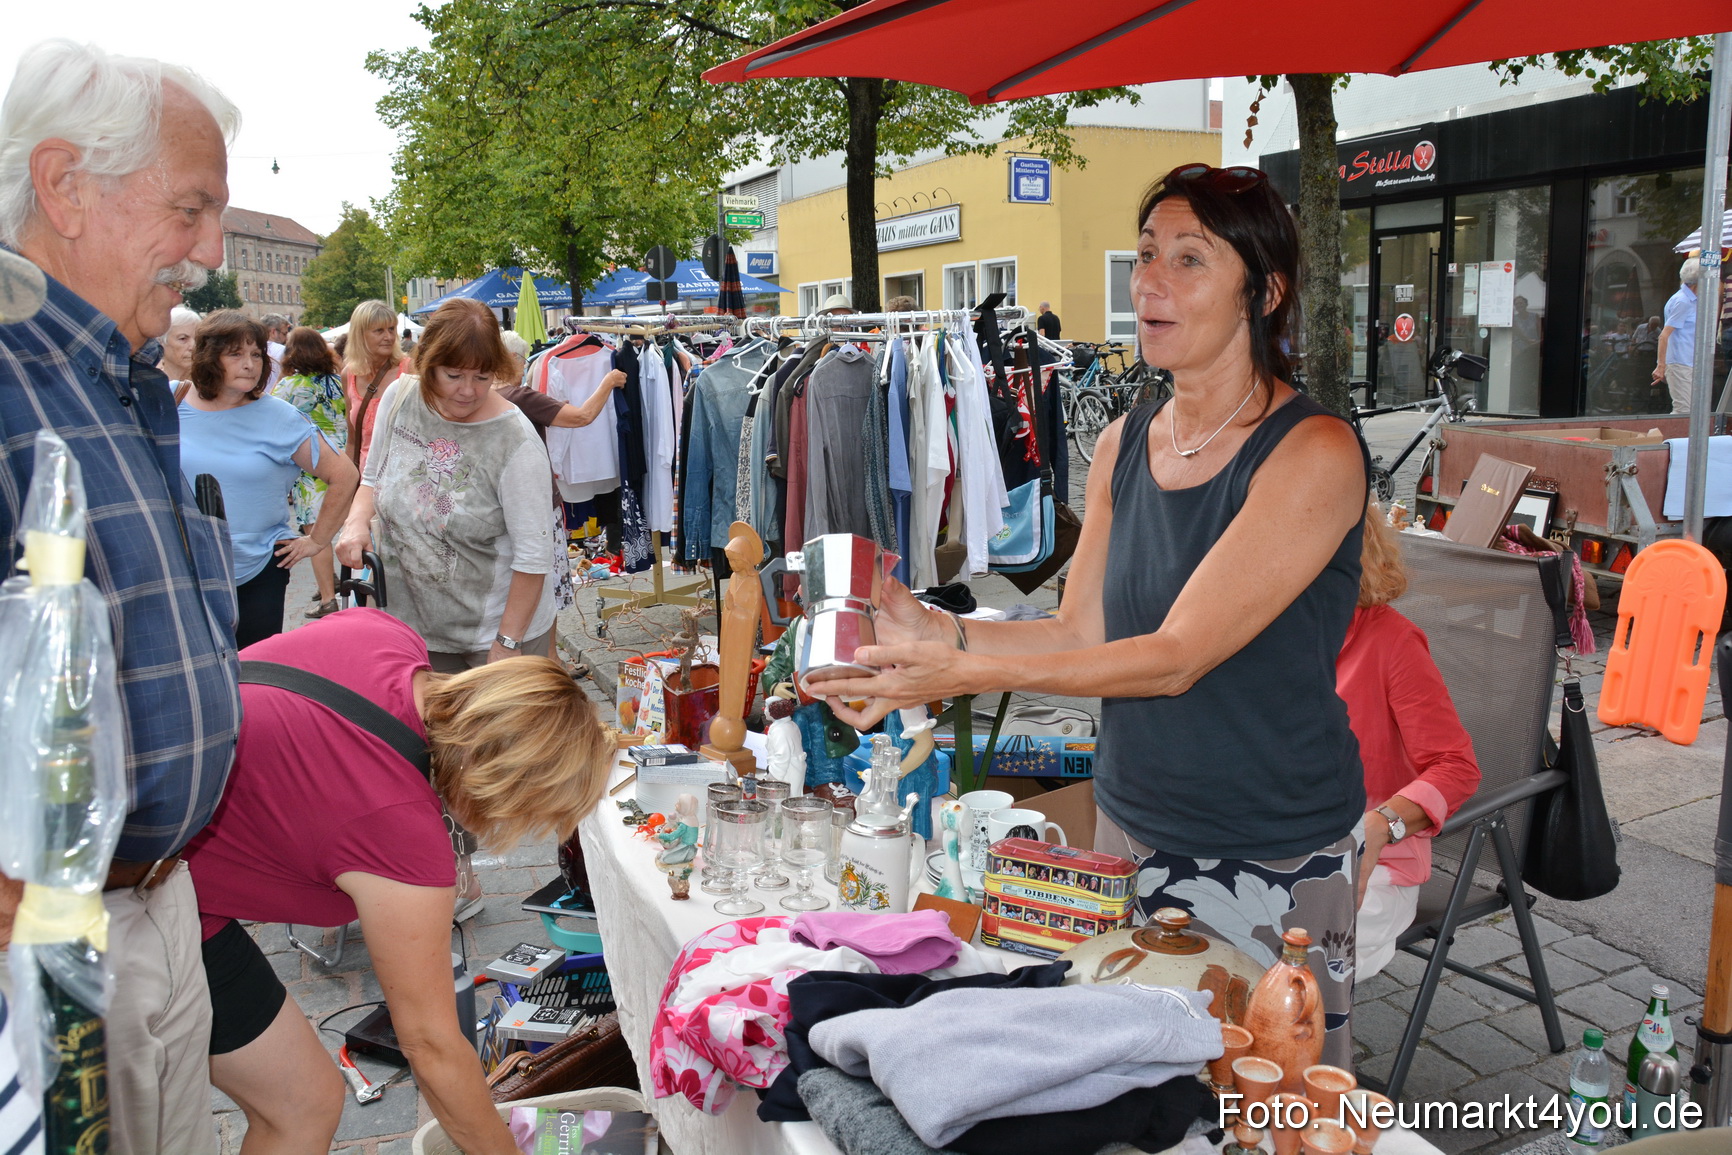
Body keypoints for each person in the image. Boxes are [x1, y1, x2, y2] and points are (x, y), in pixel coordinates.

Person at [809, 163, 1368, 1066]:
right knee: (1146, 1088)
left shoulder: (1314, 451)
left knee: (1265, 1099)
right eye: (1147, 254)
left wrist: (971, 668)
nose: (1151, 280)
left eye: (1190, 259)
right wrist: (935, 636)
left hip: (1272, 844)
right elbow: (1082, 631)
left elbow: (1175, 654)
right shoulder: (1122, 440)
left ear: (1262, 293)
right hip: (1135, 822)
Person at [0, 39, 243, 1155]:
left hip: (157, 904)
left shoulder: (119, 380)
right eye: (190, 210)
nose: (211, 250)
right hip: (48, 945)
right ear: (63, 186)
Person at [183, 607, 613, 1155]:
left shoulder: (384, 632)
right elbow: (430, 1045)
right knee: (298, 1108)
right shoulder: (402, 836)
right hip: (134, 893)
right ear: (510, 786)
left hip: (122, 816)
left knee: (306, 1100)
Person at [337, 297, 557, 670]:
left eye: (483, 377)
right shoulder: (399, 397)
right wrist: (356, 522)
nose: (468, 390)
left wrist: (506, 644)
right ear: (428, 365)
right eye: (454, 375)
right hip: (408, 627)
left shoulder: (515, 443)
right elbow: (372, 478)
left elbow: (534, 558)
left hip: (492, 638)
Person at [1336, 502, 1480, 980]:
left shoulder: (1392, 643)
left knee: (1295, 967)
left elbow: (1455, 767)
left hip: (1373, 861)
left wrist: (1381, 826)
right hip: (1274, 840)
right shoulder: (1260, 636)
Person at [180, 310, 357, 647]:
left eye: (256, 354)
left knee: (253, 675)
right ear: (208, 357)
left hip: (258, 569)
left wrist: (317, 541)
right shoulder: (172, 401)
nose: (250, 364)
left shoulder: (279, 416)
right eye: (235, 354)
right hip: (184, 569)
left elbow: (344, 476)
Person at [273, 324, 350, 618]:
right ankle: (341, 584)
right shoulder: (336, 381)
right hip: (342, 460)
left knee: (316, 535)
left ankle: (328, 598)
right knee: (340, 526)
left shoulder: (289, 386)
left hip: (311, 468)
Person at [343, 297, 412, 466]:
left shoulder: (409, 369)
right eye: (379, 331)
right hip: (366, 477)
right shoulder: (349, 374)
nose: (388, 337)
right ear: (360, 335)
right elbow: (352, 440)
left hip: (401, 475)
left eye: (391, 329)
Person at [1654, 257, 1700, 413]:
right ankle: (1670, 437)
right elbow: (1664, 335)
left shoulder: (1690, 300)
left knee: (1690, 411)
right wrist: (1661, 366)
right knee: (1684, 411)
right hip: (1680, 362)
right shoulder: (1683, 301)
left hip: (1688, 361)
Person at [159, 304, 200, 395]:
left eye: (198, 339)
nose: (193, 346)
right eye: (183, 339)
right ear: (161, 342)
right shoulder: (147, 384)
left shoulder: (211, 385)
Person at [259, 310, 289, 392]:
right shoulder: (283, 351)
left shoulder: (252, 350)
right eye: (284, 333)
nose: (286, 338)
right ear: (273, 332)